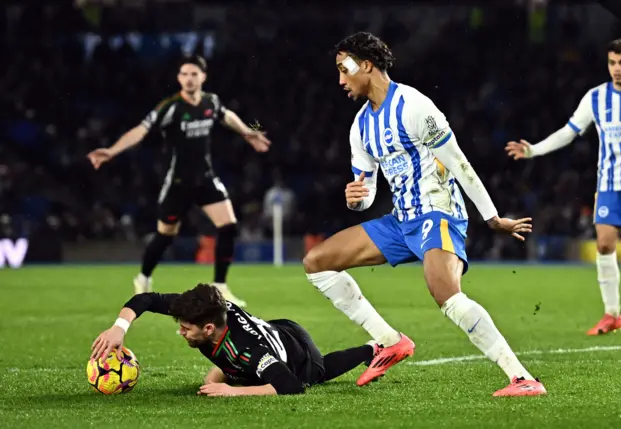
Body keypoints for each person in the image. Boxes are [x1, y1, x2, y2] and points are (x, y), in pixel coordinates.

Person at [303, 32, 546, 396]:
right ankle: (388, 341)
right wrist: (357, 198)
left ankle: (522, 378)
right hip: (401, 220)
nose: (340, 79)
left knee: (446, 294)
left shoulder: (415, 106)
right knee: (317, 262)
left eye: (344, 69)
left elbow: (459, 163)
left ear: (366, 65)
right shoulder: (360, 127)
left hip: (438, 213)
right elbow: (366, 193)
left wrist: (491, 216)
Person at [87, 55, 271, 306]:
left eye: (194, 74)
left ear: (203, 77)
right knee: (166, 235)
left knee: (228, 225)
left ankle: (221, 287)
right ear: (178, 78)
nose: (189, 79)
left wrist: (248, 132)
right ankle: (143, 277)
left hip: (205, 178)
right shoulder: (171, 107)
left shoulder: (211, 101)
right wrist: (111, 150)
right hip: (178, 183)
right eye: (184, 74)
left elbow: (226, 116)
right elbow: (141, 130)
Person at [506, 38, 621, 335]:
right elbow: (569, 132)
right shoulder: (596, 97)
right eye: (612, 62)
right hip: (611, 183)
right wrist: (533, 150)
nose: (616, 68)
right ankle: (612, 314)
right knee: (604, 244)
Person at [90, 283, 380, 396]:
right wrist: (119, 328)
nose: (180, 332)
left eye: (186, 328)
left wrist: (231, 391)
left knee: (316, 375)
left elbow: (290, 388)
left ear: (207, 329)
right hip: (275, 329)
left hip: (297, 353)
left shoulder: (245, 350)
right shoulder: (201, 307)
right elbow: (146, 299)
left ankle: (372, 349)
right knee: (238, 372)